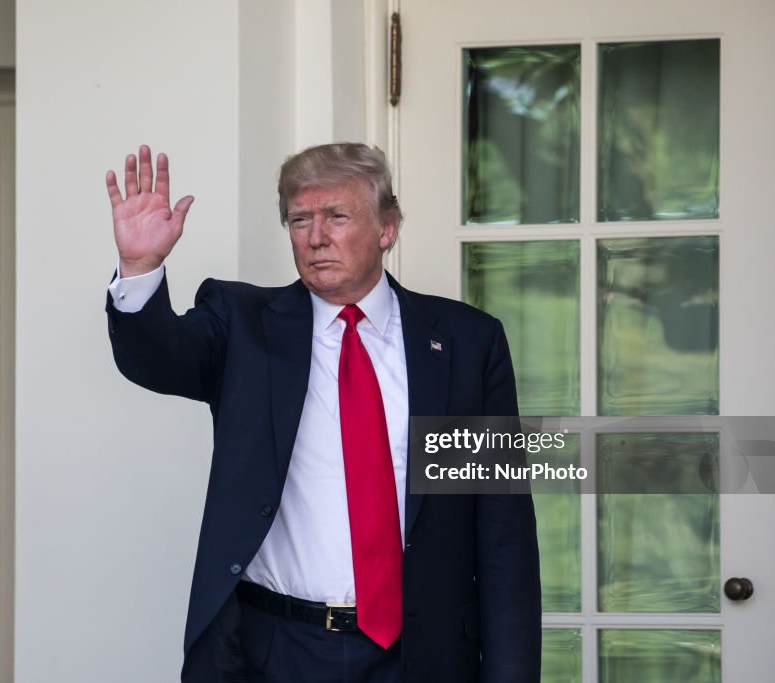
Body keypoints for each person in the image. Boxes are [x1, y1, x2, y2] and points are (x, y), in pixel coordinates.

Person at [104, 143, 541, 682]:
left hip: (422, 655)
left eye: (337, 216)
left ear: (387, 227)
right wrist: (140, 269)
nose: (315, 237)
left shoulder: (467, 344)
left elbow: (503, 533)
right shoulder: (243, 325)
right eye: (300, 219)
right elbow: (158, 360)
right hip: (277, 650)